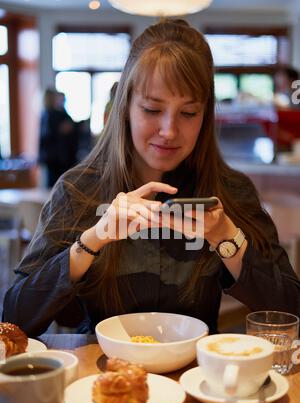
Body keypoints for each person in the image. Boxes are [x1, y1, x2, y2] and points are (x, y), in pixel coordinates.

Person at [3, 19, 300, 336]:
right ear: (126, 106)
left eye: (188, 113)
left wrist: (228, 240)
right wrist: (91, 242)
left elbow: (291, 310)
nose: (170, 130)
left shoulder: (229, 190)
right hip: (102, 375)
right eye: (152, 109)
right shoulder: (79, 189)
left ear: (205, 115)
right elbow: (15, 318)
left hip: (195, 378)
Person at [38, 89, 78, 187]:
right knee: (56, 184)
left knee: (57, 183)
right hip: (56, 157)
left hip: (57, 157)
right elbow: (47, 136)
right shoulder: (50, 115)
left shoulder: (52, 114)